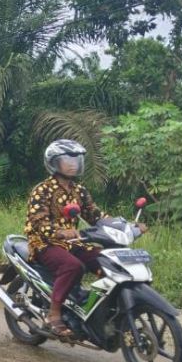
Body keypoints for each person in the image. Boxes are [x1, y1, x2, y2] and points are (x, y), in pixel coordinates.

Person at [24, 140, 106, 338]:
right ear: (53, 163)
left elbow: (95, 215)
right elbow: (38, 222)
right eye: (67, 159)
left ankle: (89, 307)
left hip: (72, 243)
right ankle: (54, 314)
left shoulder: (79, 191)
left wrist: (126, 226)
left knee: (107, 261)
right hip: (45, 243)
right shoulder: (42, 190)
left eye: (76, 159)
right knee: (73, 266)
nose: (73, 163)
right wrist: (60, 232)